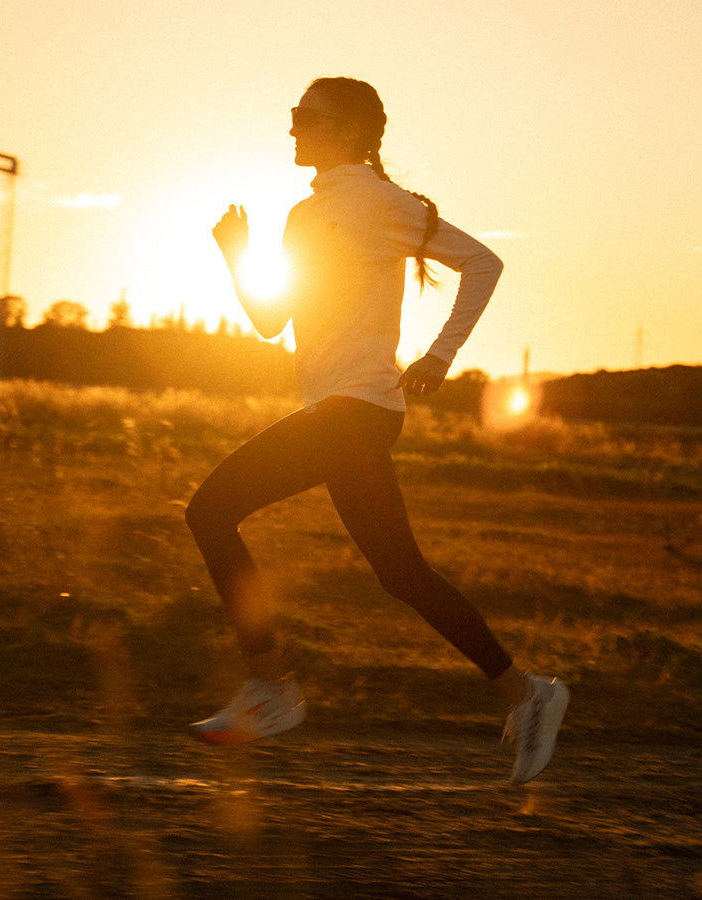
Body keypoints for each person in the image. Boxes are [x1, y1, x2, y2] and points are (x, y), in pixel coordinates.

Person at [186, 77, 568, 784]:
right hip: (337, 413)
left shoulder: (380, 201)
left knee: (210, 510)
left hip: (356, 411)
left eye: (307, 117)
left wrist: (440, 354)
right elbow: (274, 321)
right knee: (402, 574)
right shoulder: (305, 216)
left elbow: (484, 262)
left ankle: (271, 688)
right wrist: (236, 252)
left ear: (351, 130)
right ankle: (528, 694)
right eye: (292, 114)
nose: (293, 128)